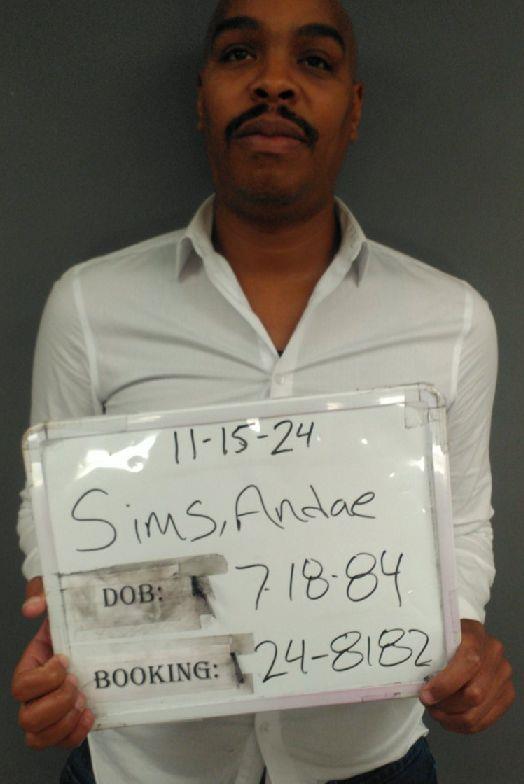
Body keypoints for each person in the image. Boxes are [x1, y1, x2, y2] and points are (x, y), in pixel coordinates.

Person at [12, 1, 515, 783]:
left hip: (369, 763)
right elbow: (53, 516)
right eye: (240, 53)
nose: (274, 82)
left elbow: (462, 522)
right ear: (202, 98)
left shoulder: (452, 321)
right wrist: (66, 637)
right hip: (148, 766)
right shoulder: (89, 307)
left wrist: (466, 639)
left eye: (314, 61)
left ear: (354, 110)